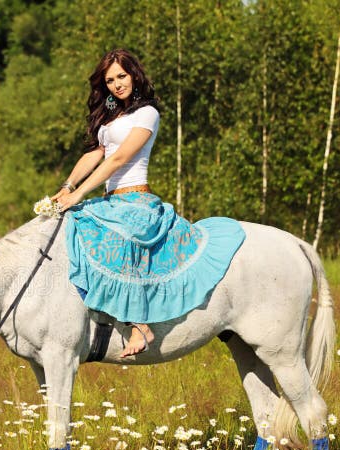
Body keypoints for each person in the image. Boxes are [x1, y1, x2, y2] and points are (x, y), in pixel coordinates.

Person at [52, 49, 245, 358]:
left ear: (134, 75)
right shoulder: (111, 113)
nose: (116, 85)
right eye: (110, 80)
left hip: (136, 200)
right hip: (110, 200)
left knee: (122, 238)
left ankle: (140, 325)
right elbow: (95, 153)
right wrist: (66, 187)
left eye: (122, 77)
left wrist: (79, 195)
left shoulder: (147, 113)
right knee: (70, 226)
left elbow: (120, 158)